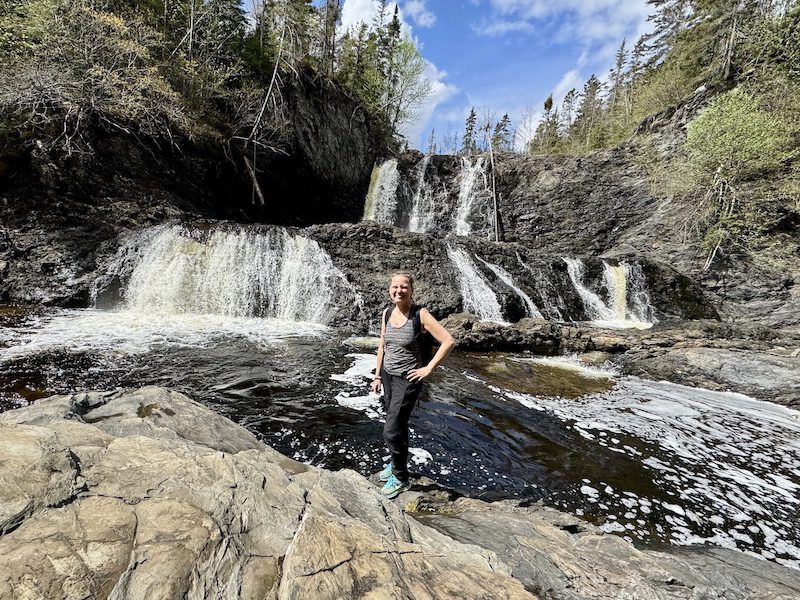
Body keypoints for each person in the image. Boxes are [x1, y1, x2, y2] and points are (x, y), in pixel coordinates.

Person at [371, 271, 455, 498]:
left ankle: (401, 477)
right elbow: (383, 344)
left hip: (408, 380)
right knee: (398, 425)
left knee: (391, 429)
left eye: (404, 287)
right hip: (388, 376)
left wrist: (429, 369)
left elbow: (448, 340)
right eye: (395, 287)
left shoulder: (420, 314)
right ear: (390, 290)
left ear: (411, 290)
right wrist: (377, 375)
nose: (399, 290)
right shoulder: (387, 312)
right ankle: (396, 463)